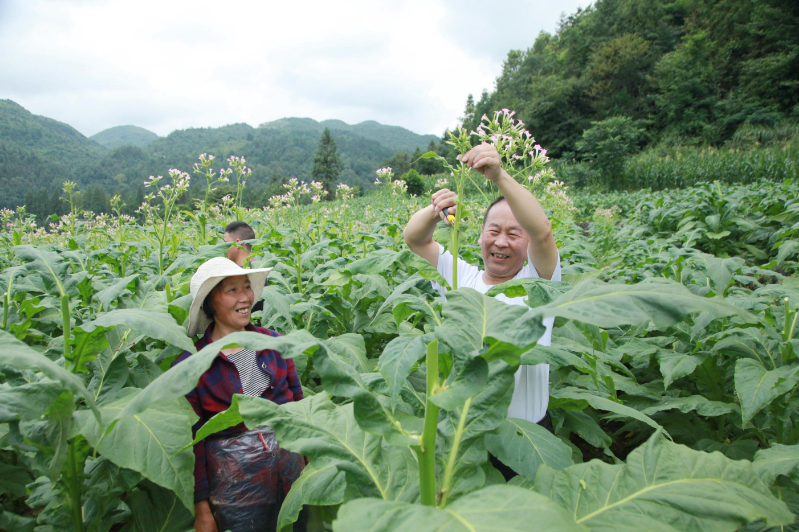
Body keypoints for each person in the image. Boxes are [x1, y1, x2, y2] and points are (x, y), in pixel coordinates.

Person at [403, 143, 560, 433]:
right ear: (480, 238)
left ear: (529, 244)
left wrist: (499, 176)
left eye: (514, 233)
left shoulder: (540, 283)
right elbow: (415, 239)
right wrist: (435, 209)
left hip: (525, 433)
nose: (501, 242)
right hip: (467, 429)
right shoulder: (460, 276)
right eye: (494, 231)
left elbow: (542, 231)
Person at [172, 257, 306, 532]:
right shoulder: (192, 363)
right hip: (236, 490)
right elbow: (189, 441)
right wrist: (202, 510)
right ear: (210, 302)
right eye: (231, 290)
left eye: (247, 287)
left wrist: (312, 465)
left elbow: (300, 407)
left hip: (292, 476)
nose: (245, 297)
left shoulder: (274, 342)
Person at [223, 221, 265, 317]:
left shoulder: (238, 277)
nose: (224, 248)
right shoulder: (263, 268)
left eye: (226, 243)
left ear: (238, 243)